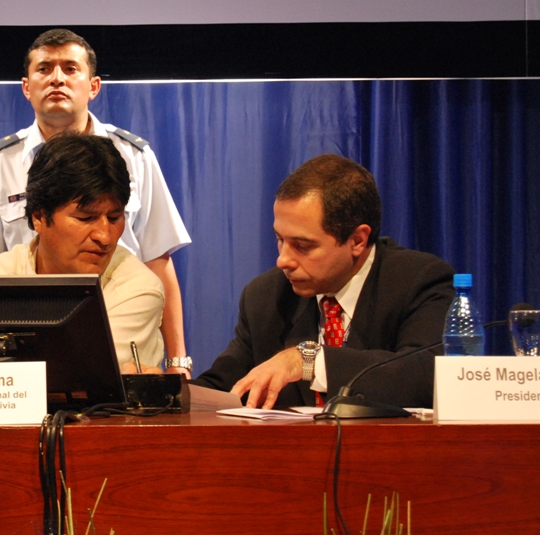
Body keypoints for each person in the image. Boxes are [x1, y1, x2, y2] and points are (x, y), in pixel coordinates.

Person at [0, 28, 193, 374]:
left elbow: (157, 257)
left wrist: (178, 361)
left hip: (117, 303)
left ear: (93, 86)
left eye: (70, 68)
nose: (57, 79)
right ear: (26, 87)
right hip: (18, 318)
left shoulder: (133, 155)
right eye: (45, 69)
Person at [193, 154, 454, 409]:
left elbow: (428, 375)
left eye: (302, 246)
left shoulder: (419, 281)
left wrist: (308, 361)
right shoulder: (265, 296)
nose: (283, 260)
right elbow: (220, 390)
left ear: (357, 240)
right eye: (280, 240)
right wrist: (170, 387)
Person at [0, 132, 165, 370]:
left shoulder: (138, 290)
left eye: (114, 217)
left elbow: (78, 373)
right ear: (39, 217)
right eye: (86, 218)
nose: (104, 236)